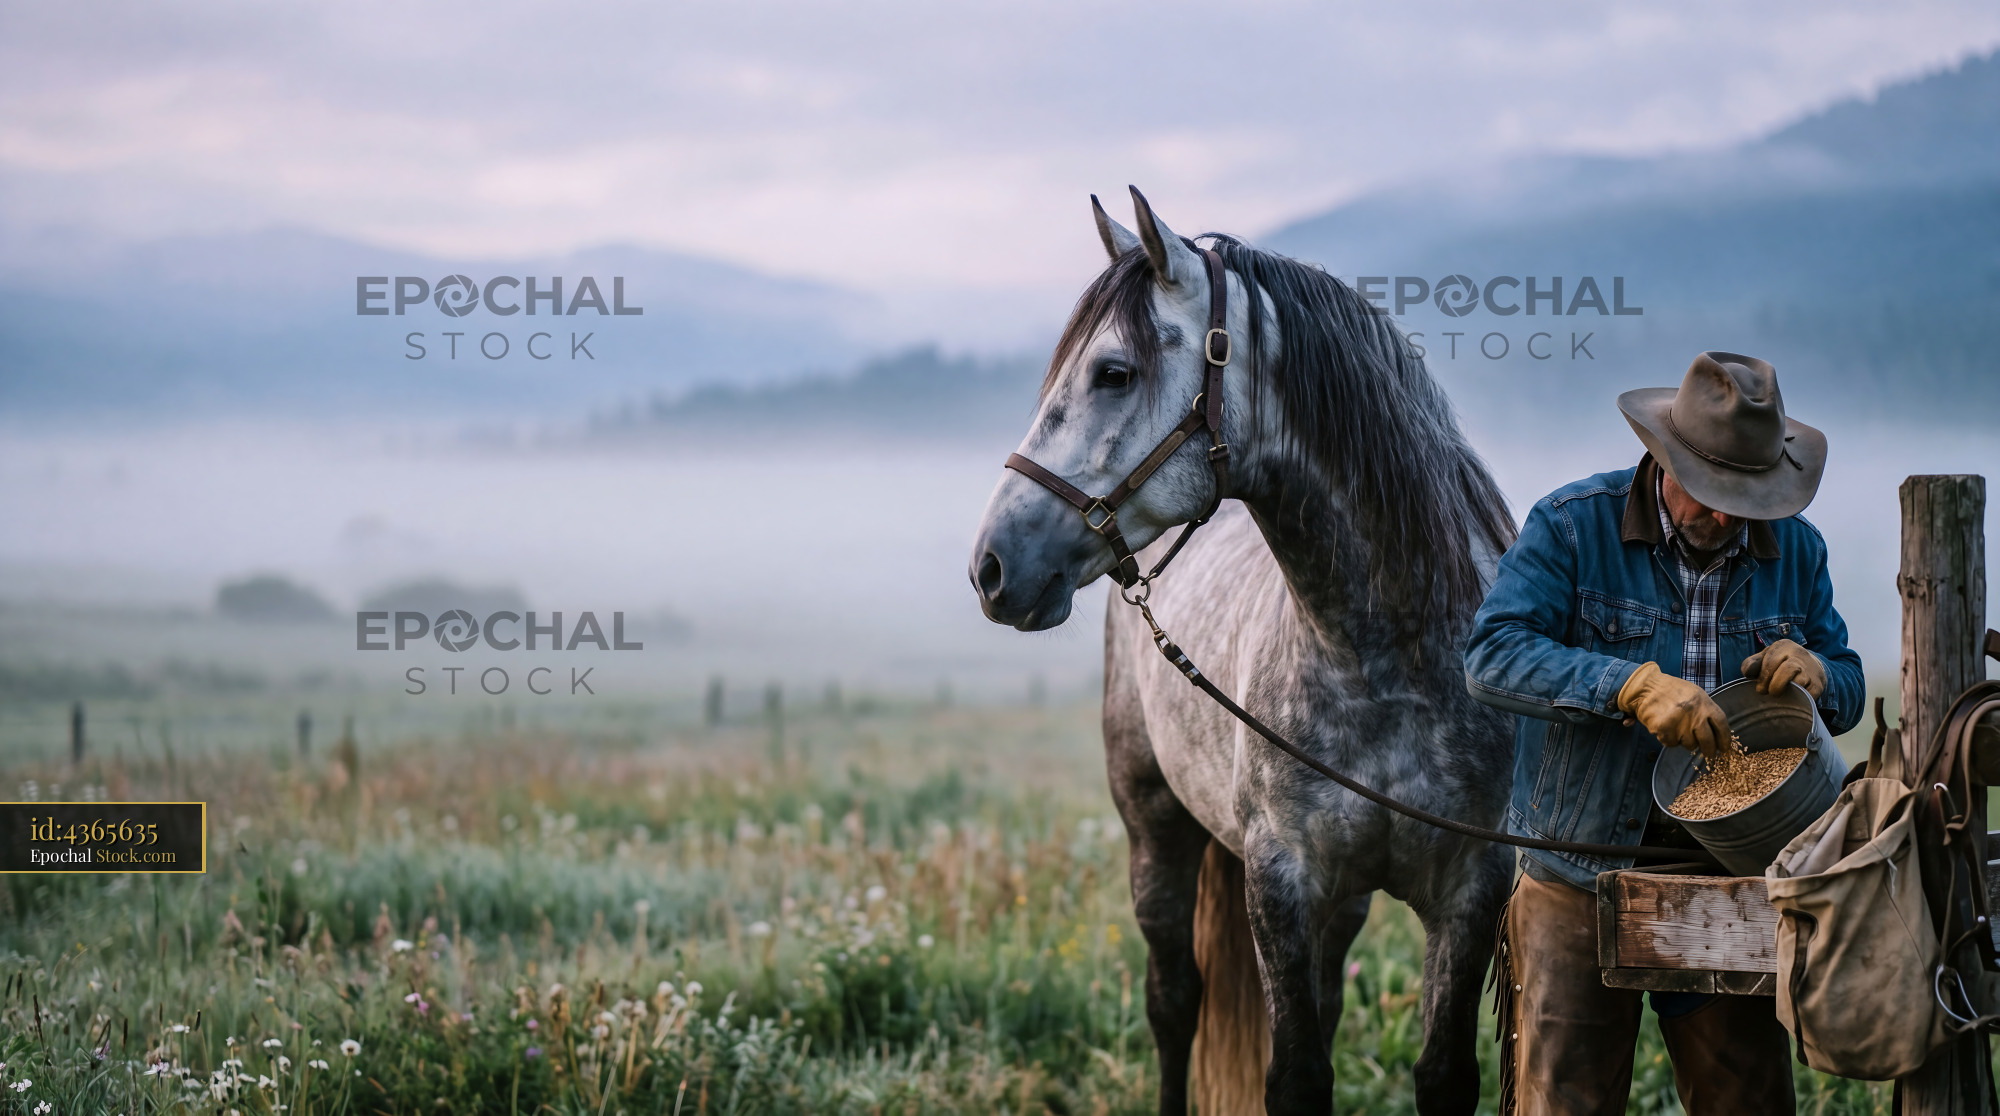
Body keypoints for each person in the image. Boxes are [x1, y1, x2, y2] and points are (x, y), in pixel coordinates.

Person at [1464, 352, 1864, 1114]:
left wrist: (1821, 674)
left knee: (1744, 1093)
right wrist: (1625, 684)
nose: (1727, 518)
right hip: (1581, 864)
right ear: (1661, 457)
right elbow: (1491, 656)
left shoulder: (1797, 551)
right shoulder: (1572, 527)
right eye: (1712, 496)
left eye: (1747, 500)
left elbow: (1843, 677)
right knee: (1567, 1097)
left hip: (1730, 867)